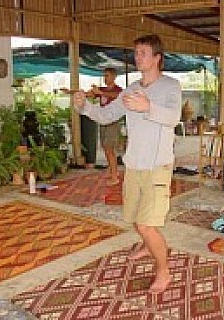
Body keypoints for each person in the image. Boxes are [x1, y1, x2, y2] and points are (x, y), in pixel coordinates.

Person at [72, 34, 181, 294]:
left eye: (143, 52)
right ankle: (147, 244)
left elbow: (173, 118)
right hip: (133, 165)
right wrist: (84, 107)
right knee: (134, 218)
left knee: (146, 224)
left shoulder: (170, 86)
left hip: (157, 166)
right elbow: (107, 115)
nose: (137, 57)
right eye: (136, 52)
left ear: (157, 58)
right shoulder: (131, 89)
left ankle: (164, 271)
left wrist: (148, 106)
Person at [61, 68, 122, 185]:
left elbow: (117, 95)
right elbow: (86, 93)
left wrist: (101, 93)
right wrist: (70, 92)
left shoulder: (118, 90)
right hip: (103, 121)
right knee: (105, 148)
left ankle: (114, 177)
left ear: (114, 77)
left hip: (113, 122)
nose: (105, 78)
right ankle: (113, 171)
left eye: (107, 75)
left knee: (109, 149)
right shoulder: (102, 90)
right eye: (104, 75)